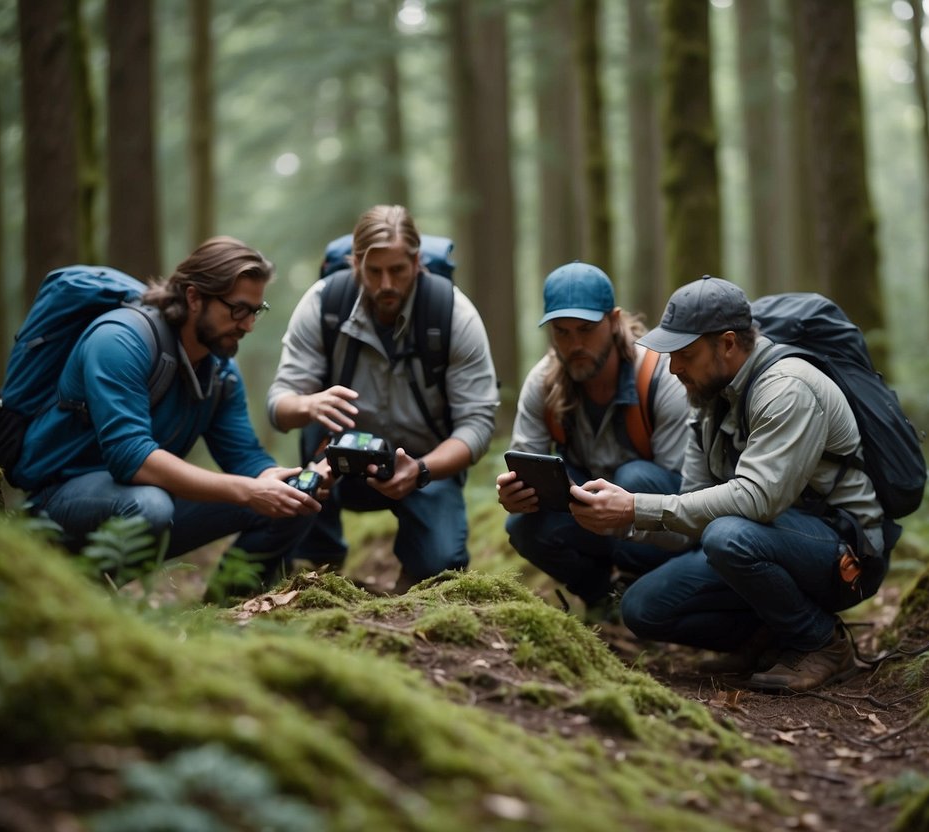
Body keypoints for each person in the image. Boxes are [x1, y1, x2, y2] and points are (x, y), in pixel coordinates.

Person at [567, 276, 887, 692]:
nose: (674, 367)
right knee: (643, 609)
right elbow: (691, 507)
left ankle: (821, 642)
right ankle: (770, 637)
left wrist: (636, 508)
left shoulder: (787, 388)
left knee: (727, 535)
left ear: (729, 344)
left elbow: (757, 500)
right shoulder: (708, 399)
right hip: (768, 540)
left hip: (845, 550)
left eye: (685, 354)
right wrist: (617, 521)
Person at [17, 237, 320, 586]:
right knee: (150, 506)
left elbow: (244, 456)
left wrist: (282, 478)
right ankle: (81, 595)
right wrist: (248, 491)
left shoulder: (220, 371)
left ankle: (226, 613)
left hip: (137, 498)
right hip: (59, 501)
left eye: (255, 311)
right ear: (193, 297)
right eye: (237, 310)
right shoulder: (119, 340)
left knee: (294, 497)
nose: (248, 325)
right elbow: (130, 456)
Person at [266, 204, 498, 587]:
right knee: (312, 429)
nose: (386, 284)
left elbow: (477, 425)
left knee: (439, 568)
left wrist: (421, 469)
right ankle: (318, 562)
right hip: (338, 462)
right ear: (354, 262)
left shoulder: (453, 314)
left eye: (397, 270)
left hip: (425, 466)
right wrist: (308, 404)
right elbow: (279, 404)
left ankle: (415, 570)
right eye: (374, 272)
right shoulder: (324, 304)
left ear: (417, 261)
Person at [496, 262, 691, 620]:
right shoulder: (543, 382)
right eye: (562, 332)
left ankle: (646, 590)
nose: (575, 345)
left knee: (635, 478)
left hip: (664, 529)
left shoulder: (660, 376)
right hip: (589, 519)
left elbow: (688, 500)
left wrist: (628, 507)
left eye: (586, 330)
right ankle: (603, 598)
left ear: (614, 320)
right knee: (522, 527)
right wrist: (516, 495)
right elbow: (527, 464)